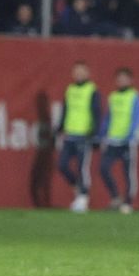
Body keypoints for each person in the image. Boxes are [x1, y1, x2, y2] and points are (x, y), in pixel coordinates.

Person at [56, 61, 102, 213]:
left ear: (87, 73)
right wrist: (59, 128)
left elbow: (96, 113)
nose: (78, 74)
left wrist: (95, 134)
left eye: (81, 71)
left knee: (82, 168)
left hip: (84, 135)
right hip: (70, 134)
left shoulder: (92, 90)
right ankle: (78, 188)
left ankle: (83, 197)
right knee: (62, 165)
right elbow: (65, 110)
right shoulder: (70, 89)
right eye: (76, 71)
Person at [99, 67, 139, 214]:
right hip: (113, 140)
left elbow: (137, 118)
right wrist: (102, 134)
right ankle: (115, 196)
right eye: (119, 78)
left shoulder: (135, 96)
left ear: (131, 80)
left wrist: (132, 135)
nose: (121, 81)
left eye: (124, 78)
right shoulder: (113, 97)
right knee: (103, 168)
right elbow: (108, 118)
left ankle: (128, 202)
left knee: (128, 173)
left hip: (127, 141)